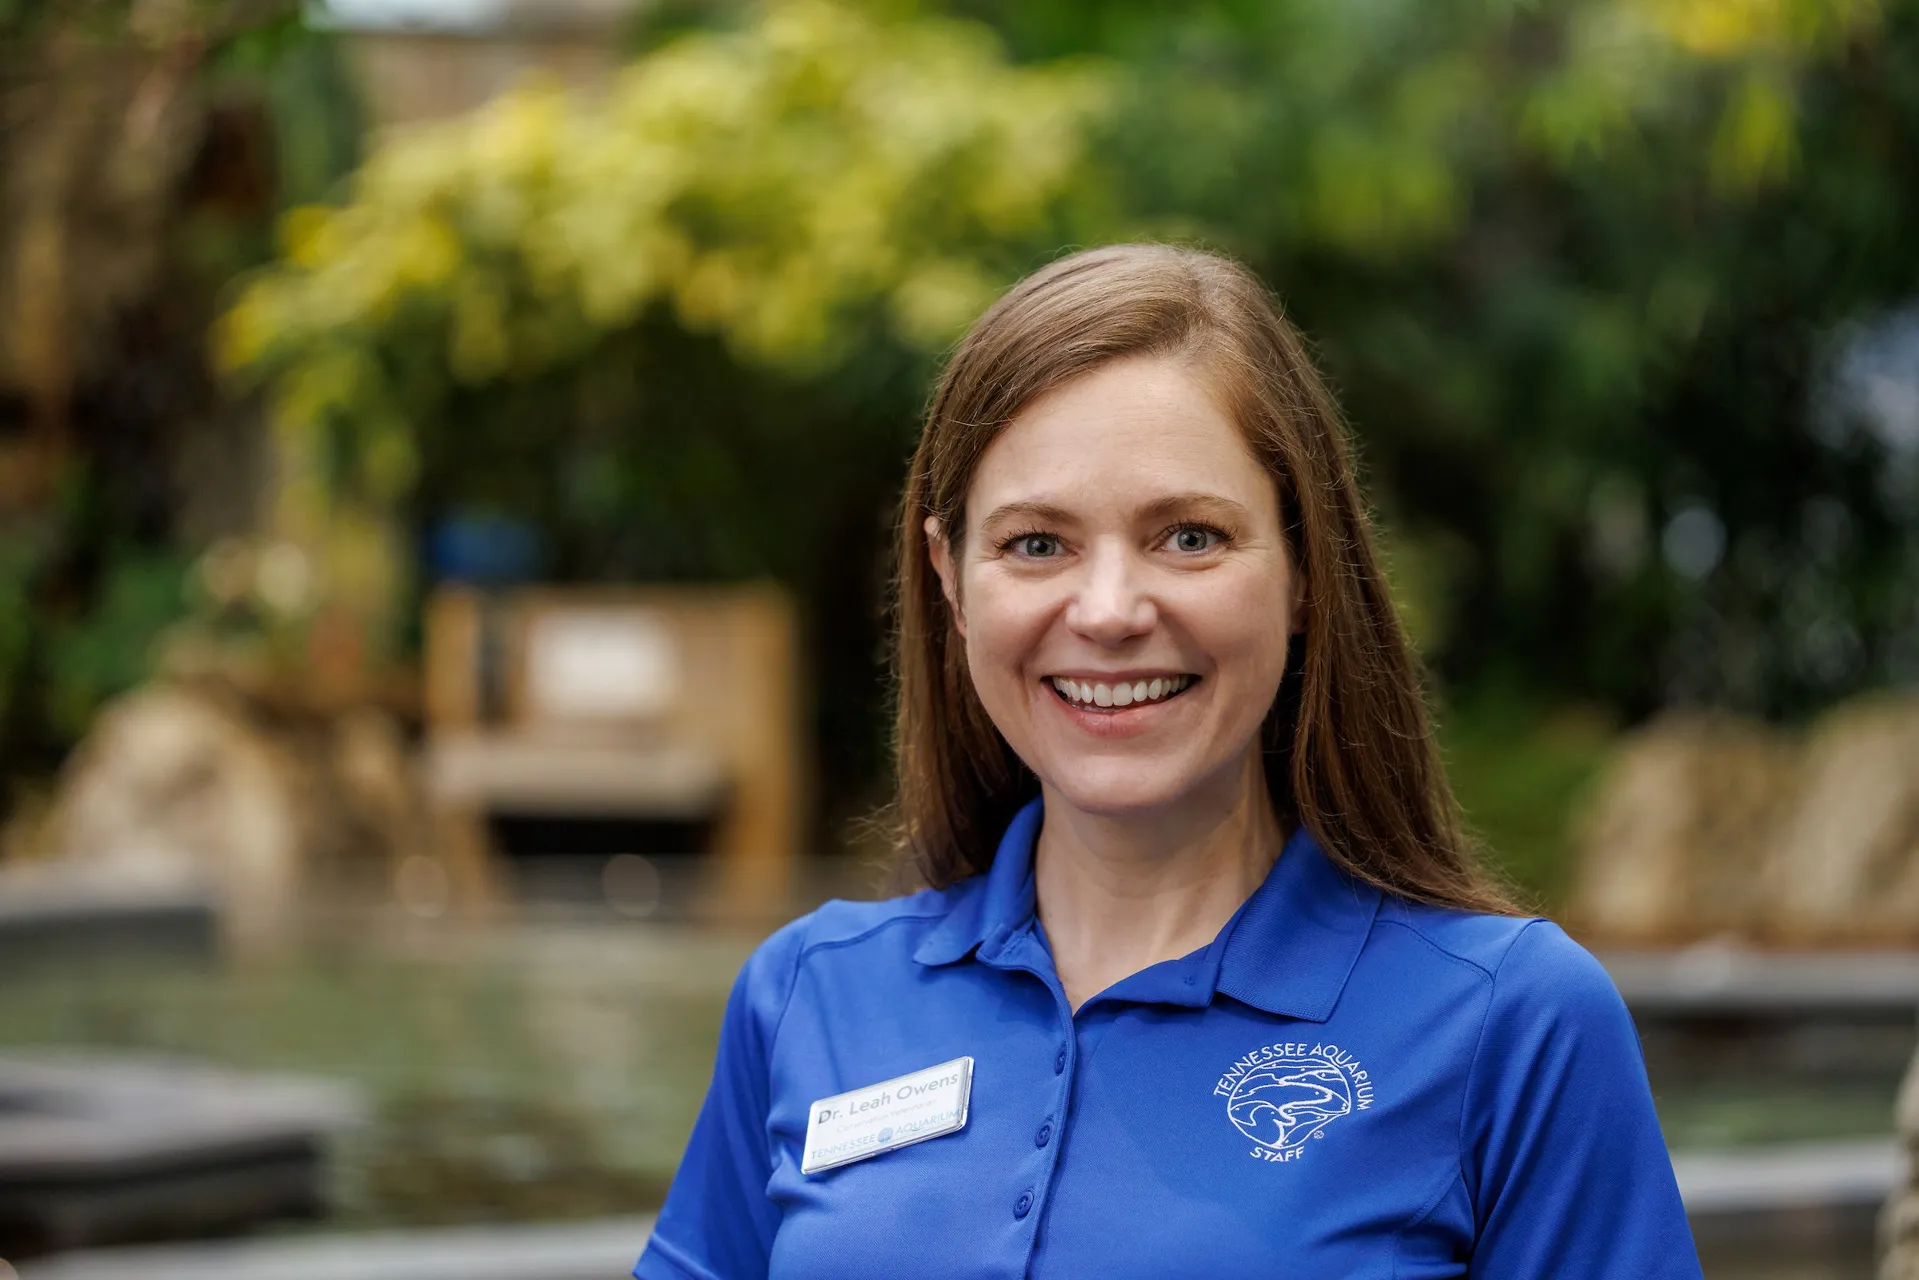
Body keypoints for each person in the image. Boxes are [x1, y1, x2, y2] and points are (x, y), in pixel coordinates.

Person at [633, 243, 1702, 1278]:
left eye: (1187, 535)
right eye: (1035, 543)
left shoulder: (1510, 1022)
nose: (1106, 612)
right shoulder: (806, 994)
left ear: (1301, 570)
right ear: (950, 578)